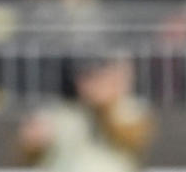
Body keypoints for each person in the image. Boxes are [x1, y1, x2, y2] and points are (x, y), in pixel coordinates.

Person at [17, 51, 154, 172]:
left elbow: (133, 140)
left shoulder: (131, 109)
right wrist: (34, 144)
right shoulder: (61, 112)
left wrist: (104, 104)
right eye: (89, 75)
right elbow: (27, 154)